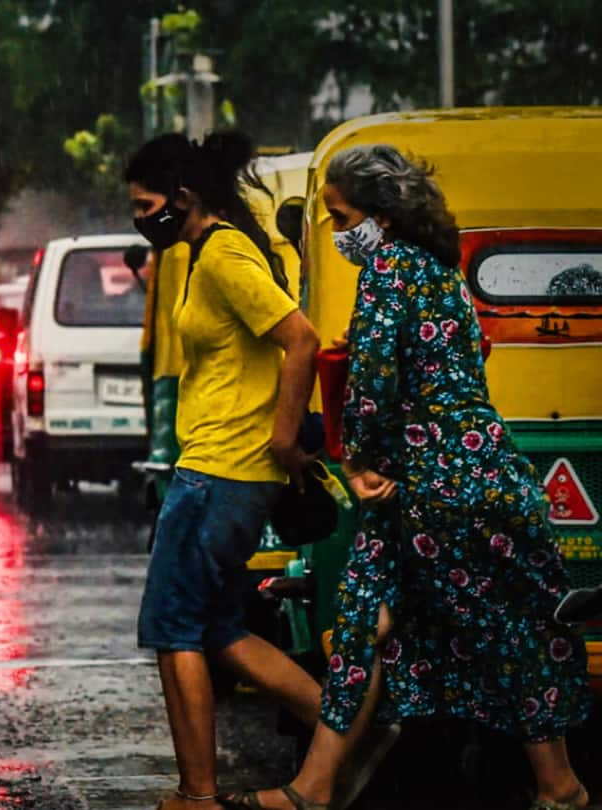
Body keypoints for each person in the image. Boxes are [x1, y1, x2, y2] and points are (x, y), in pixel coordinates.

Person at [226, 146, 590, 810]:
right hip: (470, 470)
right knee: (375, 618)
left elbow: (372, 380)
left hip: (439, 485)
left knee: (502, 628)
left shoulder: (389, 268)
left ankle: (559, 785)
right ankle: (313, 786)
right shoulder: (440, 271)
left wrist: (357, 462)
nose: (339, 233)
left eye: (341, 217)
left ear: (381, 215)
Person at [125, 131, 324, 810]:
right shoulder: (212, 252)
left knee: (172, 627)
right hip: (223, 469)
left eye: (144, 204)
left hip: (219, 470)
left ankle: (199, 793)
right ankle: (345, 727)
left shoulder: (222, 256)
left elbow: (300, 339)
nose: (139, 219)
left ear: (182, 197)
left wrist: (283, 438)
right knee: (219, 630)